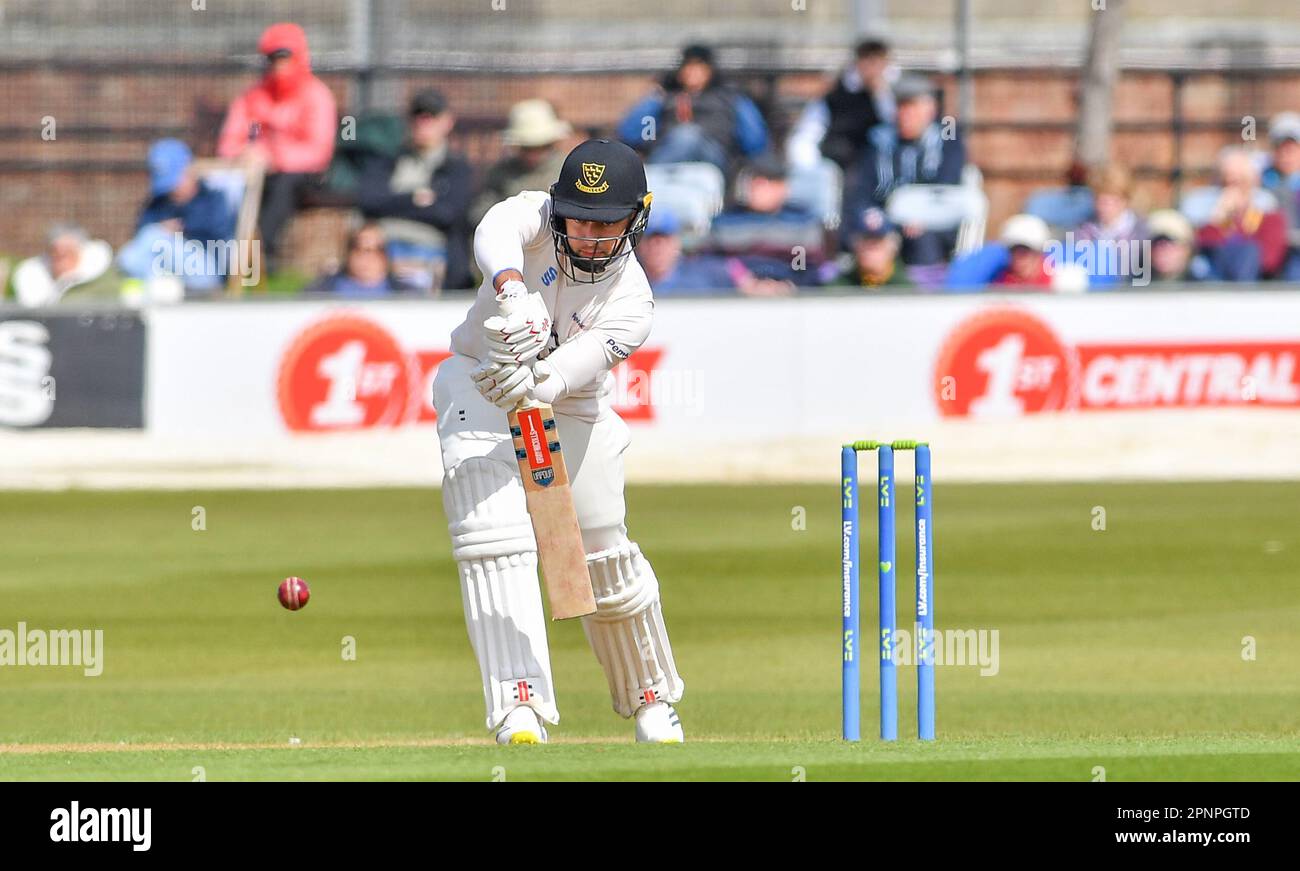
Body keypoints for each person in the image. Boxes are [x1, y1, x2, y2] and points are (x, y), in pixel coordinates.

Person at [432, 139, 685, 745]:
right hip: (480, 377)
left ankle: (650, 696)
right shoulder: (532, 217)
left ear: (638, 217)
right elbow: (494, 228)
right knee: (492, 533)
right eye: (579, 218)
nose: (590, 235)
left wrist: (538, 376)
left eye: (607, 224)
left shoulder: (633, 303)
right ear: (557, 207)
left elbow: (564, 374)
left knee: (601, 548)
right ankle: (518, 703)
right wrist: (514, 290)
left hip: (569, 398)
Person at [217, 22, 337, 271]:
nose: (279, 65)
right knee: (224, 187)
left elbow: (319, 152)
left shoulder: (316, 95)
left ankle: (262, 256)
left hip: (300, 175)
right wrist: (247, 153)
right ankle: (219, 255)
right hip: (254, 172)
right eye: (273, 58)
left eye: (285, 57)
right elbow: (229, 142)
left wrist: (275, 157)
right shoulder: (254, 96)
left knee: (283, 185)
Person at [356, 88, 475, 292]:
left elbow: (449, 213)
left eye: (431, 117)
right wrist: (413, 199)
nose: (423, 123)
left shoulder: (456, 167)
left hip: (430, 254)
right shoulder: (389, 160)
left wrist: (392, 203)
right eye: (418, 116)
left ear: (447, 121)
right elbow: (368, 200)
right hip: (382, 250)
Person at [844, 74, 966, 266]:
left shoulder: (946, 140)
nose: (905, 114)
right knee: (864, 235)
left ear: (930, 110)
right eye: (901, 107)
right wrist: (869, 215)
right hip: (885, 218)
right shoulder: (878, 141)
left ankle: (922, 292)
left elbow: (947, 186)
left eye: (912, 107)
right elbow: (862, 190)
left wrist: (919, 214)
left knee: (921, 240)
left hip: (930, 221)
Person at [616, 43, 767, 175]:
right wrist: (655, 97)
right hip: (670, 161)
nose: (692, 72)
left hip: (714, 160)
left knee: (688, 136)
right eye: (688, 66)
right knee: (683, 137)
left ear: (710, 70)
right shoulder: (665, 98)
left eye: (699, 67)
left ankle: (651, 178)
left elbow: (756, 141)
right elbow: (630, 133)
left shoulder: (729, 98)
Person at [117, 139, 237, 295]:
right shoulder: (160, 202)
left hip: (206, 270)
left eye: (174, 182)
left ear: (189, 171)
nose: (171, 190)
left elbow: (221, 234)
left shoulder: (212, 198)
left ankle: (158, 287)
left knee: (152, 237)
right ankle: (161, 288)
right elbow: (140, 234)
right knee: (135, 251)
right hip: (166, 267)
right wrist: (162, 229)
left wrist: (180, 230)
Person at [706, 153, 829, 287]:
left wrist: (790, 284)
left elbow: (805, 264)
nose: (758, 187)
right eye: (754, 180)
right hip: (735, 294)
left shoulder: (802, 223)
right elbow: (713, 260)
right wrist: (741, 279)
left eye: (768, 181)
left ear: (783, 188)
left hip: (789, 296)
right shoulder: (726, 222)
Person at [787, 37, 895, 173]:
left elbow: (893, 123)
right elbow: (809, 131)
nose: (872, 67)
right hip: (840, 159)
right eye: (867, 59)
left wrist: (880, 94)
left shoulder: (897, 91)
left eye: (877, 60)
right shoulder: (834, 93)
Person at [470, 99, 572, 227]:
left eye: (540, 147)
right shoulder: (501, 173)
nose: (533, 155)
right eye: (527, 148)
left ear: (551, 143)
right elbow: (479, 212)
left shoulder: (568, 171)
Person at [1195, 148, 1288, 281]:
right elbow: (1202, 250)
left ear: (1253, 181)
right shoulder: (1206, 210)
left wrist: (1242, 219)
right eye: (1226, 180)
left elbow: (1268, 262)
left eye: (1240, 180)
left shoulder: (1268, 213)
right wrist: (1219, 219)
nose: (1233, 187)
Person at [13, 225, 121, 307]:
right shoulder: (36, 279)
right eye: (55, 253)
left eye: (67, 253)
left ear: (79, 252)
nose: (60, 258)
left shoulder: (101, 280)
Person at [302, 223, 421, 298]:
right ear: (348, 253)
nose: (366, 256)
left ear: (386, 255)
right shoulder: (319, 292)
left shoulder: (408, 296)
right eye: (358, 248)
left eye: (375, 249)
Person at [945, 214, 1058, 290]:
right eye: (1014, 250)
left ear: (1038, 253)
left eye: (1025, 251)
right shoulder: (1000, 285)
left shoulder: (1060, 284)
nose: (1019, 257)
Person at [635, 208, 735, 295]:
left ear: (676, 243)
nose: (656, 249)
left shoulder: (698, 282)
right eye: (650, 241)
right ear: (640, 245)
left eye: (663, 242)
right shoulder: (630, 283)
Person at [1262, 112, 1300, 279]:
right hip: (1270, 253)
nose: (1286, 155)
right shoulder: (1260, 183)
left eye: (1291, 148)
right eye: (1280, 148)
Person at [839, 208, 910, 288]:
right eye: (866, 239)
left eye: (878, 241)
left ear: (893, 247)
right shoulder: (838, 287)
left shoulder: (907, 289)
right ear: (854, 245)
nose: (871, 247)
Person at [1145, 209, 1206, 282]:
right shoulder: (1135, 286)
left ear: (1187, 250)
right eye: (1155, 243)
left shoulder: (1204, 286)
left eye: (1169, 242)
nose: (1161, 250)